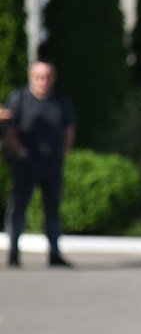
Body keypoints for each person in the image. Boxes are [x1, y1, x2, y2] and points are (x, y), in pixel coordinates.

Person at [4, 60, 75, 268]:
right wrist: (21, 152)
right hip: (26, 163)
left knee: (53, 209)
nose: (44, 81)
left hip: (52, 163)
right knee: (18, 208)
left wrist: (64, 153)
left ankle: (54, 254)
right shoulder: (20, 98)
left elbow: (69, 126)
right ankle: (14, 255)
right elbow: (9, 128)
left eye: (48, 77)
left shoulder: (60, 100)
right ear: (31, 78)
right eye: (39, 77)